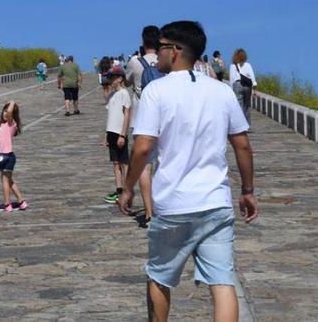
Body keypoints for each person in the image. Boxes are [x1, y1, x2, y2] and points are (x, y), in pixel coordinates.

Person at [118, 21, 258, 322]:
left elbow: (142, 147)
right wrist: (247, 191)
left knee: (159, 277)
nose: (155, 55)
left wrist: (128, 188)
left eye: (162, 47)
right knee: (222, 282)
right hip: (215, 203)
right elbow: (242, 146)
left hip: (173, 204)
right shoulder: (221, 92)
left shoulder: (157, 91)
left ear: (177, 51)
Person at [124, 25, 161, 227]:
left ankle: (148, 212)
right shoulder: (166, 62)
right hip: (164, 120)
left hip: (141, 120)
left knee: (145, 167)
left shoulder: (135, 62)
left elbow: (128, 83)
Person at [102, 67, 132, 204]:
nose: (110, 81)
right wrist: (106, 136)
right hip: (111, 132)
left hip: (120, 133)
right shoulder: (112, 95)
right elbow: (110, 115)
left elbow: (126, 114)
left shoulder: (124, 93)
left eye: (112, 78)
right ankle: (119, 190)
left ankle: (128, 190)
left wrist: (123, 134)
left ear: (120, 78)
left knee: (124, 163)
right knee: (115, 163)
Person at [0, 100, 28, 212]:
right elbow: (2, 141)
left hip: (8, 156)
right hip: (2, 155)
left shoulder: (11, 123)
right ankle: (21, 201)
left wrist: (12, 102)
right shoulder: (3, 125)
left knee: (5, 180)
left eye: (8, 112)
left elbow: (10, 112)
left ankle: (7, 204)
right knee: (9, 181)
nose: (5, 113)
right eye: (4, 111)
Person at [228, 48, 256, 119]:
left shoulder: (233, 66)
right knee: (246, 106)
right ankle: (247, 125)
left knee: (239, 106)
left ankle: (241, 125)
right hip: (247, 86)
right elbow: (252, 78)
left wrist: (231, 91)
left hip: (237, 85)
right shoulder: (248, 65)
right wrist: (254, 91)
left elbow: (232, 80)